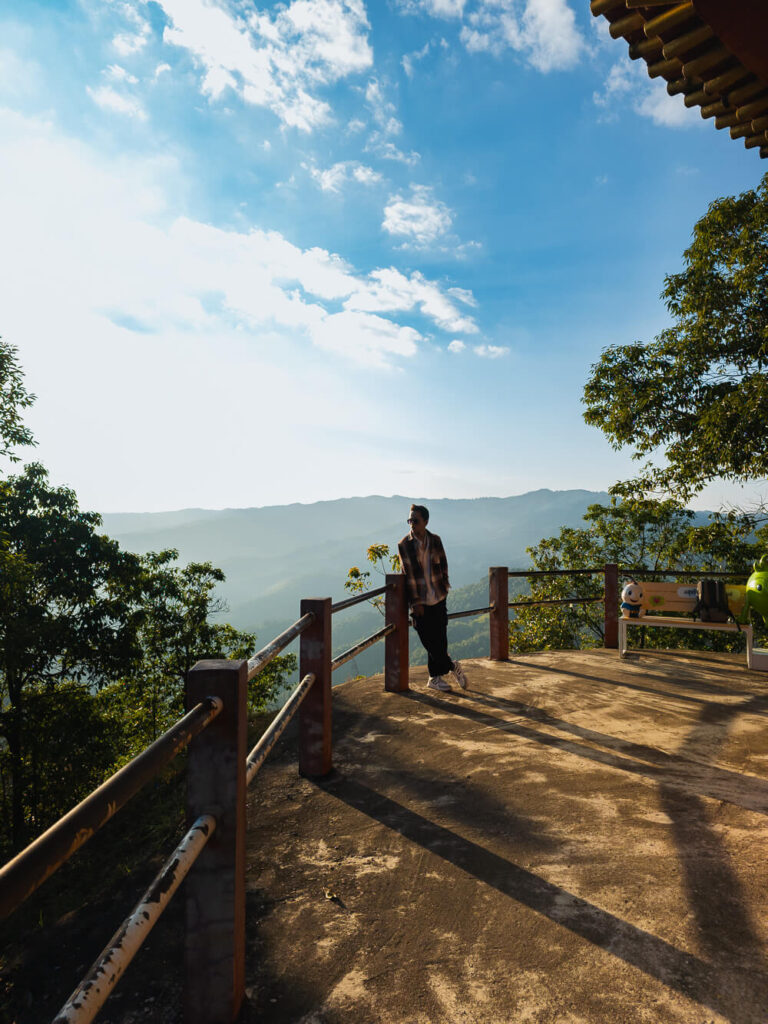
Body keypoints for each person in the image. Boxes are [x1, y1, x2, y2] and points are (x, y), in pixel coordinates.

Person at [398, 504, 468, 692]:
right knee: (429, 641)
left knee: (440, 641)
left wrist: (444, 587)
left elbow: (443, 564)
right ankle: (453, 666)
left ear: (426, 522)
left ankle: (434, 678)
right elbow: (409, 576)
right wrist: (415, 603)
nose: (411, 524)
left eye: (415, 520)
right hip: (420, 603)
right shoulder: (404, 545)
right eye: (409, 520)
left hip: (438, 597)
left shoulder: (436, 540)